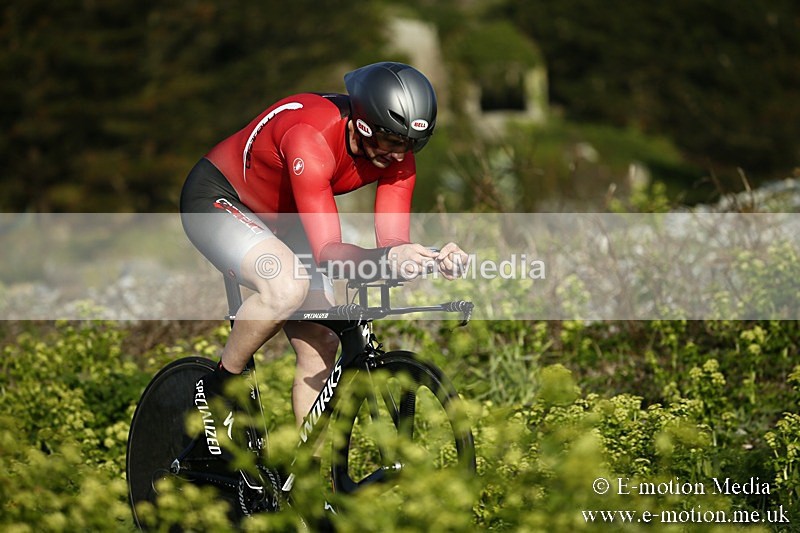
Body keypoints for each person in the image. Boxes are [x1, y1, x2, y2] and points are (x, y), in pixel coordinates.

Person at [179, 61, 468, 463]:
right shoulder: (311, 138)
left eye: (411, 144)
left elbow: (392, 243)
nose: (399, 154)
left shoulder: (396, 151)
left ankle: (308, 483)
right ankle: (217, 390)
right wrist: (386, 257)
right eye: (391, 140)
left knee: (322, 343)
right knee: (287, 287)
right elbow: (328, 252)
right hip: (219, 199)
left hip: (288, 216)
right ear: (363, 125)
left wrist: (429, 257)